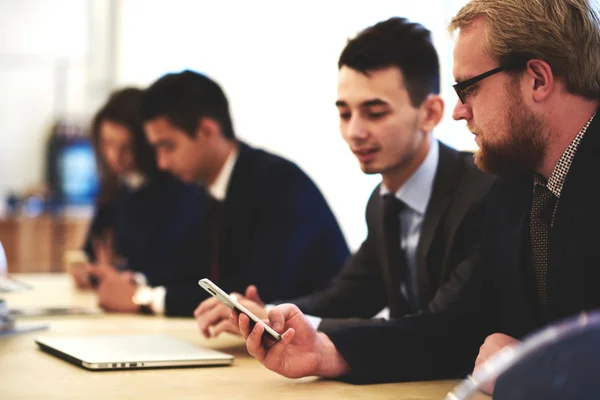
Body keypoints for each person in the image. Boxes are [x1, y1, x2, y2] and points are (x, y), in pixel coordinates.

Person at [231, 0, 600, 389]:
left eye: (469, 88)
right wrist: (325, 351)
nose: (460, 112)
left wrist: (536, 370)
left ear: (537, 80)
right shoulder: (517, 183)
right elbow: (455, 328)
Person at [195, 18, 494, 339]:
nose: (354, 132)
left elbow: (440, 327)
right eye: (345, 113)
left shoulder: (481, 190)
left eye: (375, 113)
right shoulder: (382, 204)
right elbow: (348, 296)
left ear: (431, 114)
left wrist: (295, 325)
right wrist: (273, 315)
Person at [124, 70, 349, 317]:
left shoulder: (278, 183)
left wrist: (146, 299)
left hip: (320, 340)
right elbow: (191, 270)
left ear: (207, 130)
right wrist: (137, 281)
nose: (162, 163)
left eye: (168, 146)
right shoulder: (207, 187)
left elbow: (258, 291)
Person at [70, 88, 204, 314]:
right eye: (107, 144)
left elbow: (182, 268)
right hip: (115, 302)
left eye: (126, 147)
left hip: (154, 307)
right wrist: (89, 270)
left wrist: (130, 278)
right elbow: (95, 247)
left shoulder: (180, 188)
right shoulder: (115, 186)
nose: (114, 156)